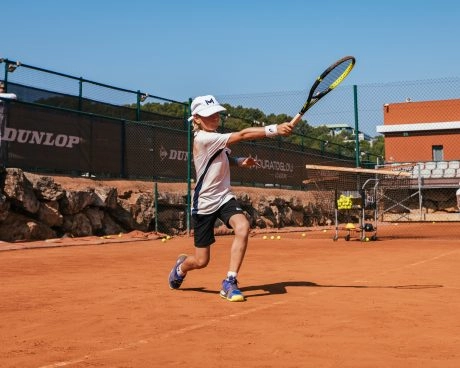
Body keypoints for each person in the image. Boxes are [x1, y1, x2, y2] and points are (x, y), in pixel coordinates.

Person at [168, 95, 293, 302]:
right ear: (197, 119)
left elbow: (223, 158)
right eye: (209, 115)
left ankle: (230, 281)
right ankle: (181, 267)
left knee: (243, 227)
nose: (215, 117)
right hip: (204, 203)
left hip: (224, 197)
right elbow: (243, 135)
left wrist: (239, 161)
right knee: (201, 261)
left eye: (217, 113)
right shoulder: (203, 138)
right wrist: (274, 129)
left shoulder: (214, 136)